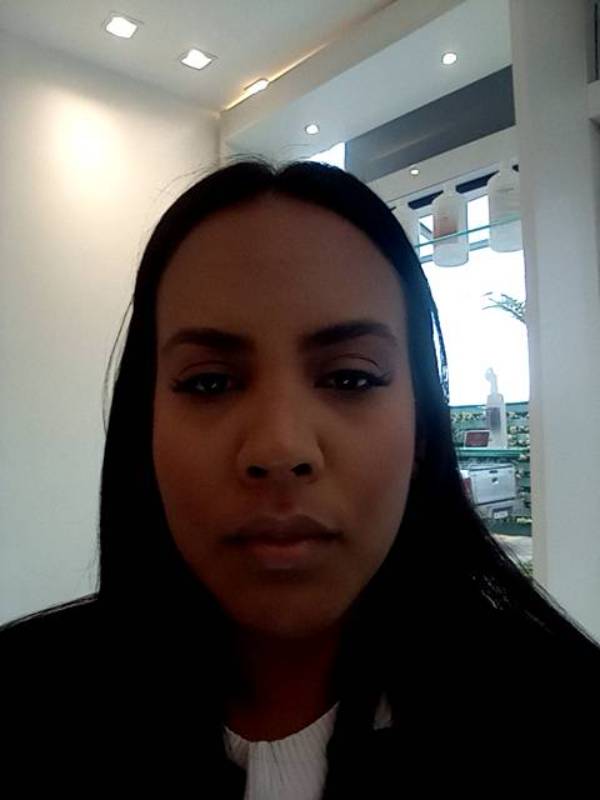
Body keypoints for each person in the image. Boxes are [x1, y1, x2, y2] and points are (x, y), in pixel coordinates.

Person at [2, 158, 599, 797]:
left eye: (350, 377)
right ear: (143, 426)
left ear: (422, 428)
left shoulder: (565, 720)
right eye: (210, 383)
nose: (280, 449)